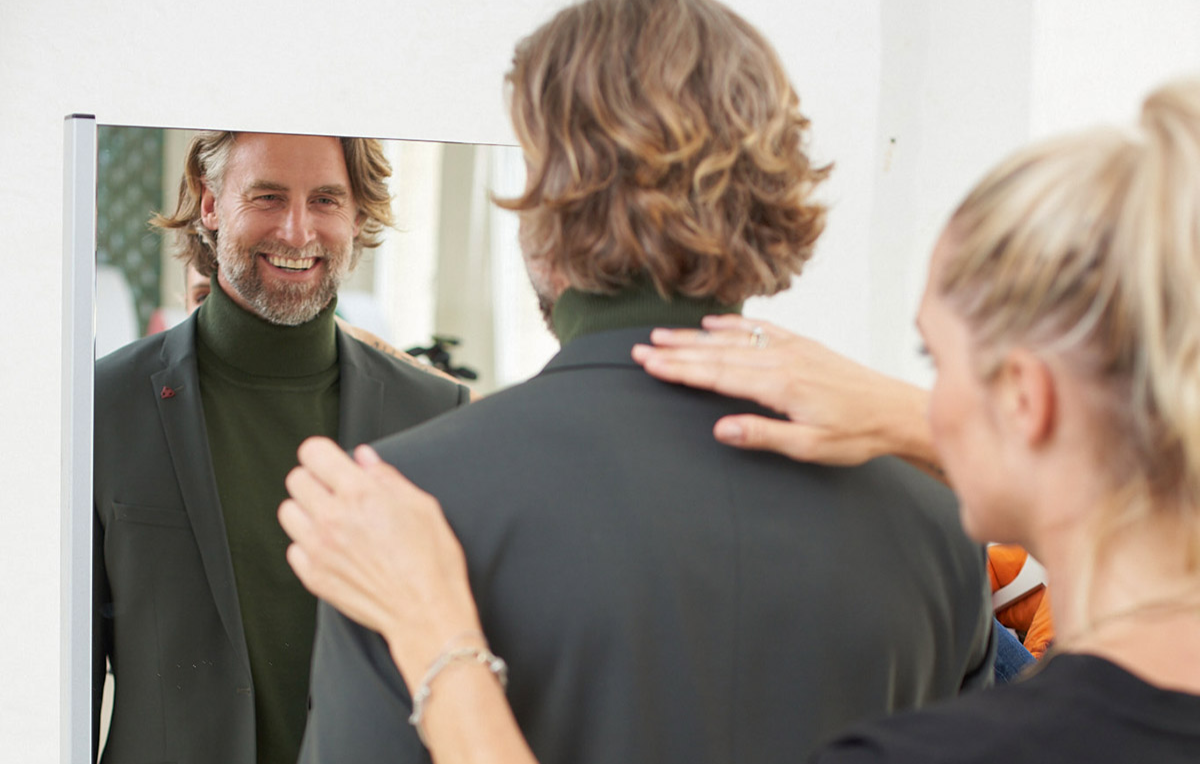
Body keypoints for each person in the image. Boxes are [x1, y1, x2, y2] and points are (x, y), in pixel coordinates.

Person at [282, 64, 1200, 764]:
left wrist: (441, 647)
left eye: (935, 364)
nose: (923, 407)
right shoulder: (938, 546)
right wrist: (907, 427)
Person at [92, 131, 471, 764]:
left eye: (326, 200)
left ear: (357, 215)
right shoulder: (103, 404)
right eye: (267, 196)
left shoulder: (437, 415)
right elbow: (54, 693)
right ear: (210, 205)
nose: (297, 232)